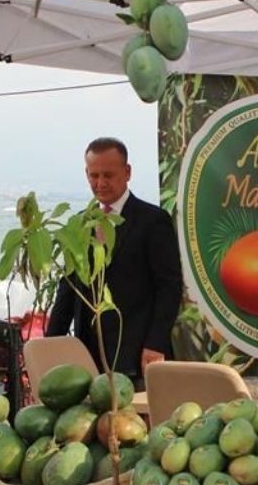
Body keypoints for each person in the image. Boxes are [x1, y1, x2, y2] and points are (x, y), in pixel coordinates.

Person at [45, 137, 183, 385]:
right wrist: (50, 347)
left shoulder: (152, 221)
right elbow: (67, 289)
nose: (100, 183)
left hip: (137, 354)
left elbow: (169, 287)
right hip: (88, 355)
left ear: (127, 172)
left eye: (108, 175)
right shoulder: (78, 225)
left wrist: (155, 342)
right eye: (93, 176)